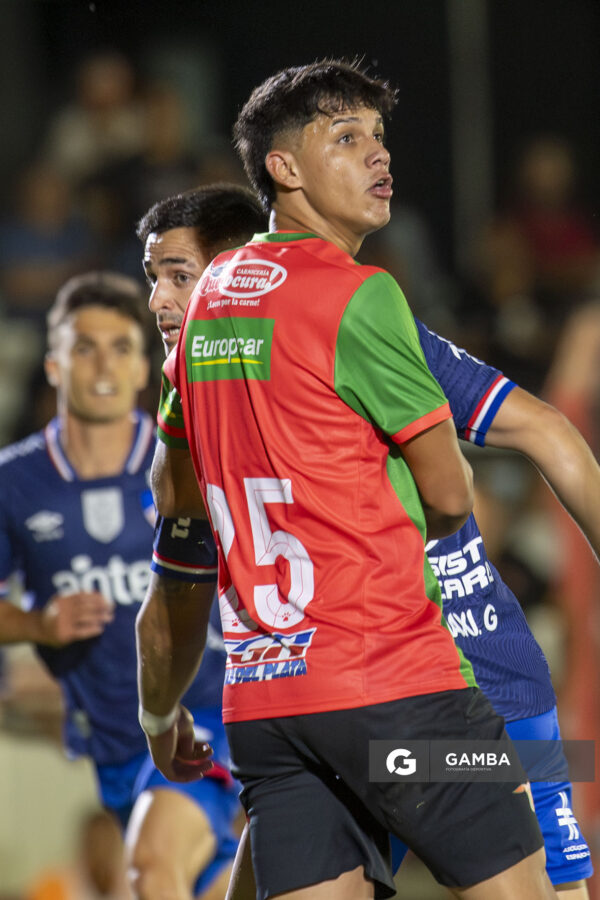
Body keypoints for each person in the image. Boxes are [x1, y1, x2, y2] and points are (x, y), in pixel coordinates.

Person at [139, 59, 555, 899]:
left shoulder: (208, 296)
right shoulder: (362, 296)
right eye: (347, 138)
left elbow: (175, 497)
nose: (379, 157)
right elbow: (449, 494)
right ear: (281, 170)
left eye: (379, 138)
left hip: (266, 704)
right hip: (400, 689)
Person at [0, 271, 237, 900]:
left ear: (144, 368)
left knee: (148, 872)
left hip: (204, 727)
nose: (103, 363)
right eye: (84, 346)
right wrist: (36, 625)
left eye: (121, 347)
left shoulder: (190, 463)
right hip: (112, 746)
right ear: (53, 364)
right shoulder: (13, 483)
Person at [128, 185, 268, 900]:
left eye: (178, 277)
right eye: (154, 279)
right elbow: (175, 586)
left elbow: (455, 490)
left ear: (240, 269)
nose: (156, 301)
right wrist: (158, 716)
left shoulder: (340, 336)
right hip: (280, 715)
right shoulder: (186, 395)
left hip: (434, 700)